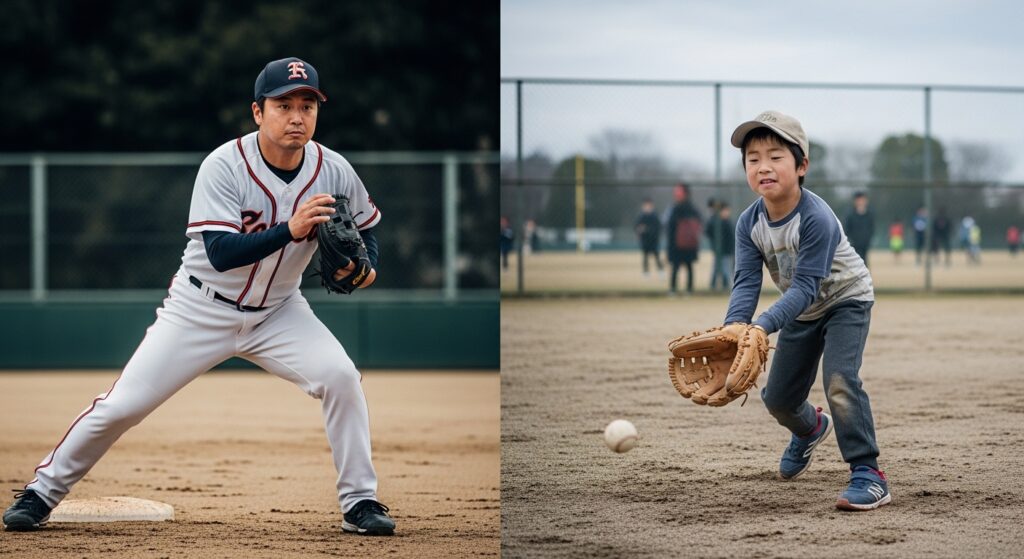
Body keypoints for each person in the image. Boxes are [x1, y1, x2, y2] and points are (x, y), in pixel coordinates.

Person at [3, 57, 396, 536]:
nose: (297, 116)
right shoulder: (224, 165)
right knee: (123, 405)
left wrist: (366, 267)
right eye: (284, 104)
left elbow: (368, 227)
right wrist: (290, 231)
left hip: (280, 312)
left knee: (341, 379)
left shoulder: (333, 169)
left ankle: (360, 502)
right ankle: (41, 493)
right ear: (258, 112)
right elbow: (222, 252)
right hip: (199, 308)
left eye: (308, 105)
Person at [723, 110, 888, 510]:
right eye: (753, 158)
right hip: (802, 310)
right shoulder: (749, 223)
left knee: (839, 379)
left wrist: (761, 327)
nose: (763, 166)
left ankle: (868, 473)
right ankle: (811, 428)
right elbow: (747, 281)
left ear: (801, 166)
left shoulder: (816, 218)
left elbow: (805, 286)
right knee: (778, 398)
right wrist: (734, 329)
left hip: (846, 299)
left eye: (776, 156)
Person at [666, 183, 702, 295]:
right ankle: (682, 290)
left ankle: (679, 290)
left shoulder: (678, 209)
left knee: (683, 267)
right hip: (681, 244)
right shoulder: (682, 208)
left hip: (683, 244)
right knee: (682, 267)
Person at [706, 201, 735, 291]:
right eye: (725, 210)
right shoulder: (716, 221)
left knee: (726, 269)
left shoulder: (727, 222)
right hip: (719, 250)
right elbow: (708, 231)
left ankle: (726, 285)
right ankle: (714, 285)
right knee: (717, 269)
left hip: (727, 251)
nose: (727, 213)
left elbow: (732, 238)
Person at [844, 192, 875, 268]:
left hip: (865, 244)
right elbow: (847, 229)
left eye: (862, 200)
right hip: (854, 244)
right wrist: (851, 241)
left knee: (864, 262)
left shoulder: (869, 214)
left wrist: (868, 239)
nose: (860, 202)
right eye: (859, 200)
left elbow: (871, 228)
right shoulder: (850, 215)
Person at [634, 198, 663, 276]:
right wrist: (640, 230)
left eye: (649, 205)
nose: (647, 207)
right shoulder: (641, 216)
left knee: (656, 256)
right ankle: (646, 272)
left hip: (653, 240)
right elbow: (637, 227)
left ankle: (660, 271)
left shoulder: (655, 216)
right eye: (645, 205)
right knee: (645, 256)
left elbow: (658, 227)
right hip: (645, 240)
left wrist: (647, 229)